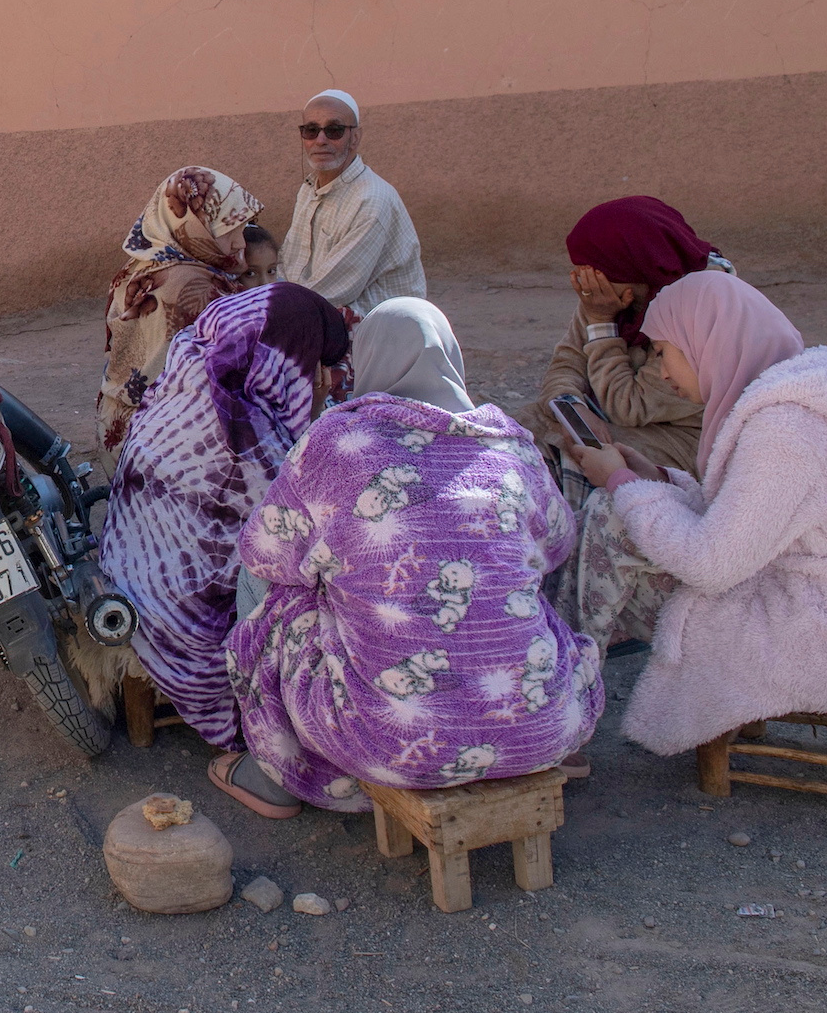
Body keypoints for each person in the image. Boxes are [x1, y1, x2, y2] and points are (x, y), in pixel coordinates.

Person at [213, 298, 601, 819]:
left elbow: (263, 551)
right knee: (518, 585)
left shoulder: (337, 440)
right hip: (547, 728)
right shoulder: (510, 445)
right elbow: (556, 546)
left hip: (386, 747)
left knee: (277, 594)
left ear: (366, 359)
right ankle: (532, 741)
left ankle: (275, 767)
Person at [568, 274, 827, 756]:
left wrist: (620, 484)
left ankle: (564, 703)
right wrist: (659, 479)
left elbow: (710, 565)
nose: (660, 370)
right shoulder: (803, 401)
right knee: (618, 515)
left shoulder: (784, 431)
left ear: (708, 343)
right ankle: (567, 686)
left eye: (665, 350)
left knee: (609, 519)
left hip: (817, 646)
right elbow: (750, 519)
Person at [98, 282, 352, 751]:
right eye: (318, 366)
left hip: (132, 584)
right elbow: (297, 542)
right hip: (187, 629)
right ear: (287, 362)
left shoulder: (185, 380)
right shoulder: (245, 438)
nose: (323, 380)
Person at [518, 197, 728, 477]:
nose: (586, 280)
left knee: (576, 456)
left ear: (631, 265)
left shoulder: (699, 309)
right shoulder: (608, 295)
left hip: (684, 437)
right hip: (608, 415)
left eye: (596, 269)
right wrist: (572, 405)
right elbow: (567, 362)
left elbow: (627, 406)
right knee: (518, 428)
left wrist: (601, 323)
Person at [96, 167, 276, 453]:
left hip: (123, 425)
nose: (240, 243)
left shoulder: (141, 265)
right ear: (196, 227)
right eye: (231, 231)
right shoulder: (192, 285)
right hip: (162, 441)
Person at [275, 89, 425, 319]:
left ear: (355, 137)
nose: (321, 140)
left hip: (376, 328)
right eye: (311, 130)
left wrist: (271, 311)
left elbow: (334, 290)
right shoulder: (308, 189)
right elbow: (288, 264)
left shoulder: (372, 199)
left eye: (334, 130)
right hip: (317, 309)